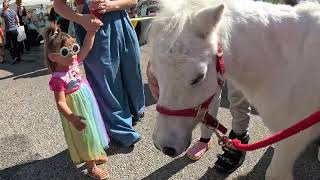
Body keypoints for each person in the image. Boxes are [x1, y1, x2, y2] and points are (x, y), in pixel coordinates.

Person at [53, 0, 145, 148]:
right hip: (91, 22)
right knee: (106, 82)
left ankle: (134, 112)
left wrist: (111, 5)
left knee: (131, 72)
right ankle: (120, 131)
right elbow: (58, 4)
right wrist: (79, 18)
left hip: (121, 20)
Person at [147, 62, 250, 173]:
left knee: (238, 94)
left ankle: (240, 137)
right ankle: (205, 139)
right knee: (208, 90)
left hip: (243, 49)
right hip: (209, 47)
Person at [44, 24, 110, 179]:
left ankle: (93, 154)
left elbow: (86, 46)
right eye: (66, 52)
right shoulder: (58, 78)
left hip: (86, 101)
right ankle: (91, 167)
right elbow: (60, 102)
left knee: (92, 127)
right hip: (74, 108)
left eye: (74, 48)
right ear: (53, 57)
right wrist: (72, 117)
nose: (73, 54)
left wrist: (91, 31)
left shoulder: (73, 62)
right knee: (84, 135)